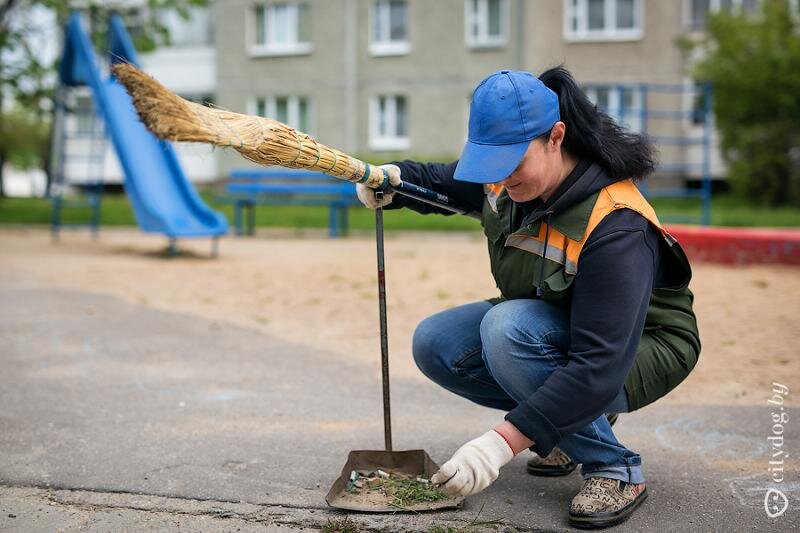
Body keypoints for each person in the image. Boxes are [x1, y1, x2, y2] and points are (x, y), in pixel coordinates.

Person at [355, 67, 700, 529]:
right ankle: (563, 427)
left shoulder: (616, 224)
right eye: (489, 164)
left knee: (507, 330)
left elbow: (598, 364)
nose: (499, 178)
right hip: (554, 325)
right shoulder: (505, 177)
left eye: (512, 163)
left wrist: (499, 444)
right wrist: (391, 180)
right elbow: (439, 180)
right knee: (436, 342)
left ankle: (615, 470)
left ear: (556, 137)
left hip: (640, 346)